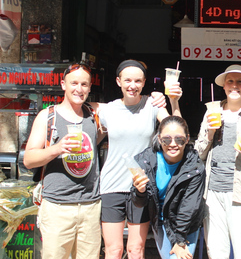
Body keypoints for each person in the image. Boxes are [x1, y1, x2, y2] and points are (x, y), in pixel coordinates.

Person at [99, 59, 182, 259]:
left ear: (144, 82)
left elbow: (178, 128)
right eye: (127, 80)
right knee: (114, 250)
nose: (132, 85)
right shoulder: (107, 110)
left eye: (137, 81)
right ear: (118, 81)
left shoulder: (152, 105)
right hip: (111, 186)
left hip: (141, 187)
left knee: (135, 249)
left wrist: (173, 100)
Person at [24, 63, 102, 259]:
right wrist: (56, 149)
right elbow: (29, 159)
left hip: (90, 205)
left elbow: (124, 105)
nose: (79, 89)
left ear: (90, 88)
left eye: (84, 84)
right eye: (73, 83)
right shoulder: (47, 116)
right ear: (63, 85)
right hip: (57, 206)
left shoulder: (94, 115)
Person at [194, 64, 241, 259]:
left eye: (240, 82)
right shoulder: (211, 113)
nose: (234, 86)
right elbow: (198, 154)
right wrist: (210, 133)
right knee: (216, 252)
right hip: (212, 194)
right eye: (230, 81)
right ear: (224, 86)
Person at [131, 116, 205, 259]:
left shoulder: (195, 167)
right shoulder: (147, 161)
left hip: (185, 222)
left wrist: (180, 240)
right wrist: (140, 192)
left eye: (179, 139)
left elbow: (189, 207)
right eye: (166, 139)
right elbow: (139, 203)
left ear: (187, 138)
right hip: (161, 219)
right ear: (159, 139)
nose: (173, 144)